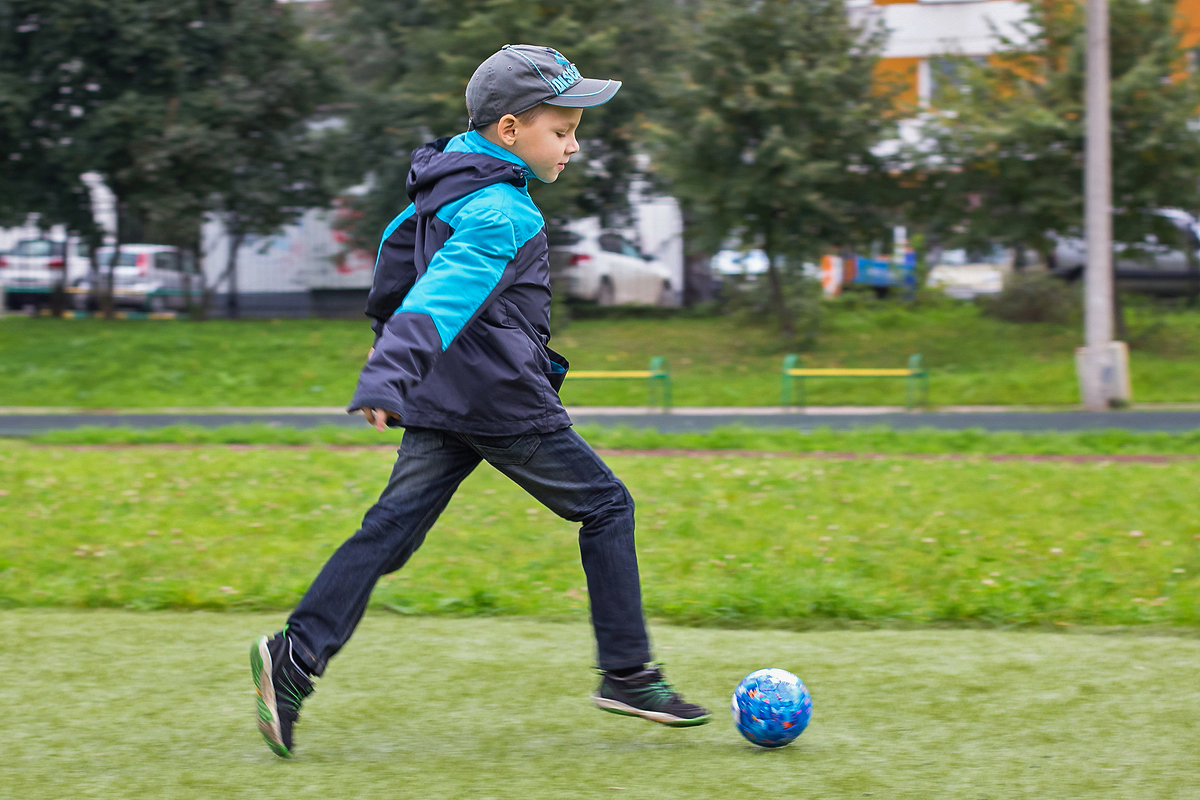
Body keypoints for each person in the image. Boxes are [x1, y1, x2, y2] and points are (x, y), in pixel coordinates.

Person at [250, 44, 710, 759]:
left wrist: (389, 352)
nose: (573, 144)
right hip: (496, 395)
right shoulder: (502, 210)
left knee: (389, 532)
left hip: (444, 394)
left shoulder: (446, 180)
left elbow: (394, 254)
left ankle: (295, 656)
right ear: (508, 129)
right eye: (561, 130)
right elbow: (444, 289)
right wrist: (389, 370)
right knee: (607, 506)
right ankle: (627, 672)